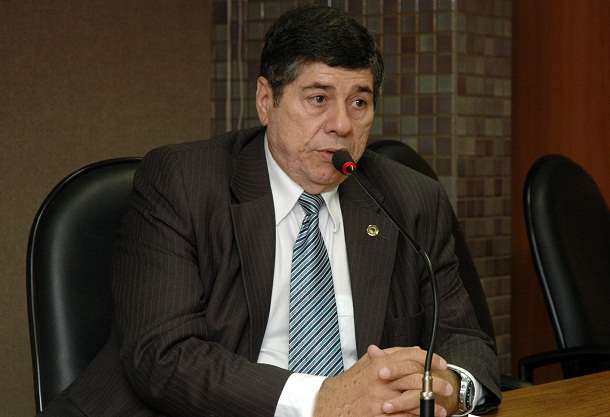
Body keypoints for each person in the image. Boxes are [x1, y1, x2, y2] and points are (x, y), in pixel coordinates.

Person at [40, 4, 501, 417]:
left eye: (359, 102)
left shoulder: (411, 199)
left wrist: (451, 391)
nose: (342, 125)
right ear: (266, 101)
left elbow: (465, 341)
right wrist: (321, 399)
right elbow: (162, 356)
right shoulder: (183, 182)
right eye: (318, 99)